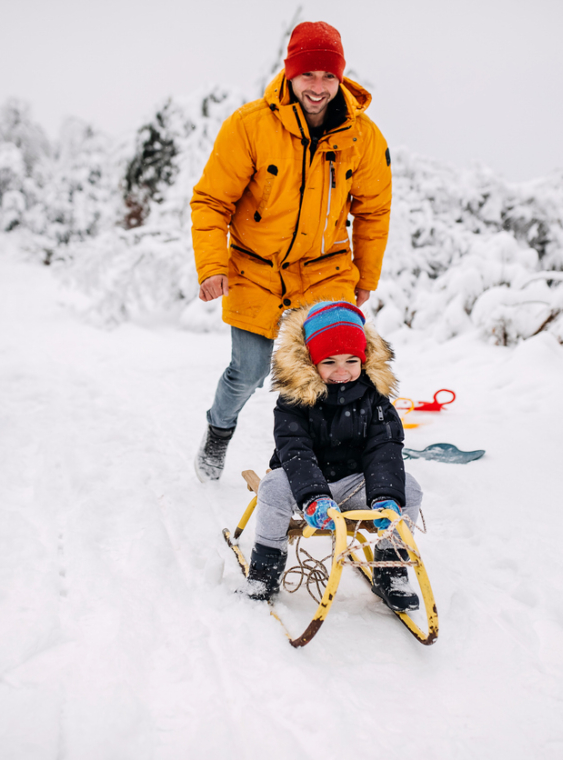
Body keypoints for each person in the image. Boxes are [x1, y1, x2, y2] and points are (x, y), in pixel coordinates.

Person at [191, 20, 393, 481]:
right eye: (308, 75)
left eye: (328, 76)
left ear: (340, 77)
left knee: (340, 365)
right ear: (290, 74)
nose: (318, 87)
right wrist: (211, 265)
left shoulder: (362, 136)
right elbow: (211, 201)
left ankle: (334, 460)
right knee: (249, 371)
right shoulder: (249, 127)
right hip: (255, 270)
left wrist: (366, 278)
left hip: (325, 271)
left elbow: (374, 211)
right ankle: (218, 431)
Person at [244, 301, 422, 612]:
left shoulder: (375, 399)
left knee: (410, 488)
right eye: (330, 362)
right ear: (312, 362)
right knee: (271, 489)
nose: (342, 372)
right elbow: (295, 449)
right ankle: (265, 570)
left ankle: (390, 570)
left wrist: (384, 496)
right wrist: (313, 496)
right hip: (304, 482)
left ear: (364, 359)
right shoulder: (294, 400)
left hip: (355, 483)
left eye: (351, 361)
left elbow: (385, 447)